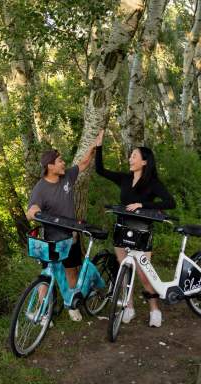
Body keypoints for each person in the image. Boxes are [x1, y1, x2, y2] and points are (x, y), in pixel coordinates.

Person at [95, 129, 176, 327]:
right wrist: (98, 146)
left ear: (145, 162)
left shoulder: (152, 183)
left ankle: (154, 310)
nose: (130, 158)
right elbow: (100, 170)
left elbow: (169, 202)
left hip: (142, 231)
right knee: (125, 270)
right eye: (130, 156)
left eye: (134, 156)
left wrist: (143, 205)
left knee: (143, 273)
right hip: (122, 229)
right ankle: (128, 307)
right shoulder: (124, 179)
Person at [26, 145, 96, 322]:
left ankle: (70, 304)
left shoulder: (67, 177)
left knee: (71, 271)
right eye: (60, 161)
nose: (63, 163)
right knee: (46, 274)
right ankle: (43, 313)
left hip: (71, 236)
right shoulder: (40, 188)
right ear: (50, 166)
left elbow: (84, 163)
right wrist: (34, 212)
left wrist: (94, 146)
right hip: (52, 239)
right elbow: (32, 208)